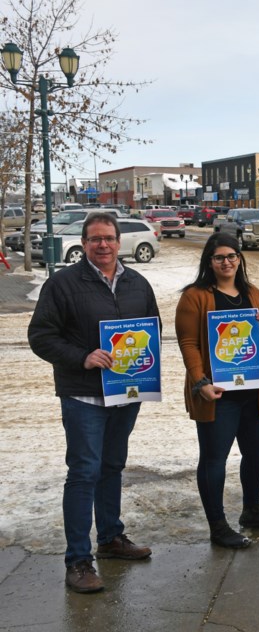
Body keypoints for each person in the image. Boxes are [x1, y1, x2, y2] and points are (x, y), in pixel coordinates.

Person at [28, 212, 157, 594]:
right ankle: (78, 561)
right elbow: (40, 335)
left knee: (113, 467)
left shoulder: (137, 282)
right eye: (94, 239)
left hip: (125, 394)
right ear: (84, 243)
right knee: (84, 472)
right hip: (83, 395)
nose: (103, 245)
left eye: (109, 238)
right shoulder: (63, 284)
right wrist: (83, 356)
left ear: (120, 242)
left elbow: (152, 329)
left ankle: (111, 539)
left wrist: (142, 372)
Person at [175, 233, 259, 550]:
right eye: (219, 257)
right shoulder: (195, 297)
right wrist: (200, 382)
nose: (227, 262)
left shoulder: (252, 293)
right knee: (214, 460)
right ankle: (218, 526)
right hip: (217, 394)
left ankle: (252, 511)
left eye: (232, 256)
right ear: (209, 262)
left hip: (253, 391)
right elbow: (189, 343)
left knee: (256, 455)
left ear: (240, 259)